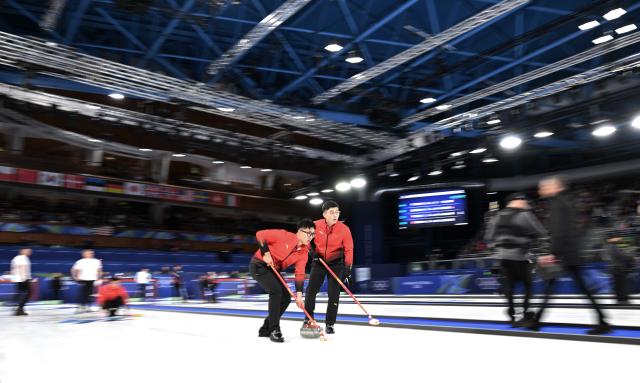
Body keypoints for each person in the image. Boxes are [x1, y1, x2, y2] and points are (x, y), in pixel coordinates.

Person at [526, 176, 611, 335]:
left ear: (555, 187)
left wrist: (553, 253)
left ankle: (603, 321)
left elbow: (560, 232)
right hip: (570, 252)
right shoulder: (564, 201)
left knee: (570, 288)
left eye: (544, 187)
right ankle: (536, 321)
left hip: (566, 254)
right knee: (557, 287)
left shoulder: (558, 204)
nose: (540, 190)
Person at [484, 193, 547, 325]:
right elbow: (541, 232)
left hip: (503, 258)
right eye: (523, 200)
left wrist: (497, 247)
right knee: (527, 285)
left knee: (509, 288)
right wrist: (529, 239)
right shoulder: (524, 214)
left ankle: (512, 312)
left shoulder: (497, 216)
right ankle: (526, 314)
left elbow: (488, 237)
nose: (525, 203)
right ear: (516, 201)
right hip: (520, 256)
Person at [249, 219, 314, 343]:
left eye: (313, 234)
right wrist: (266, 253)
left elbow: (299, 273)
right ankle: (274, 329)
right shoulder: (283, 235)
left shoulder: (304, 252)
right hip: (259, 265)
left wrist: (299, 296)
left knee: (286, 298)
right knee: (276, 291)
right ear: (299, 232)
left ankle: (265, 328)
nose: (310, 237)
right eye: (308, 233)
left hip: (274, 269)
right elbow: (260, 234)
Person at [304, 200, 354, 335]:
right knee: (310, 291)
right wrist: (311, 252)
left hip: (336, 263)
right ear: (325, 214)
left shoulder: (344, 229)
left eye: (337, 212)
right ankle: (308, 319)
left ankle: (330, 324)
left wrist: (348, 268)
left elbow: (349, 249)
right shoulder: (315, 225)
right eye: (332, 212)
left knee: (334, 294)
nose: (335, 215)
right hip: (319, 261)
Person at [71, 248, 103, 313]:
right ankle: (80, 307)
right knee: (82, 294)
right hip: (83, 279)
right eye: (89, 253)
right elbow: (74, 270)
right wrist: (75, 277)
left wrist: (99, 277)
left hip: (92, 280)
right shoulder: (80, 261)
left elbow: (99, 270)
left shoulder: (97, 261)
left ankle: (88, 306)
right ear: (84, 254)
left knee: (90, 294)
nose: (91, 254)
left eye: (92, 253)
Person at [11, 246, 32, 316]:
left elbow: (13, 269)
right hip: (23, 278)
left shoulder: (17, 258)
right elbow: (21, 267)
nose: (29, 252)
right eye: (28, 250)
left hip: (19, 278)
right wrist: (24, 278)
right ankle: (19, 308)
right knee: (29, 293)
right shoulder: (22, 258)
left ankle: (20, 309)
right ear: (22, 251)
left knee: (21, 294)